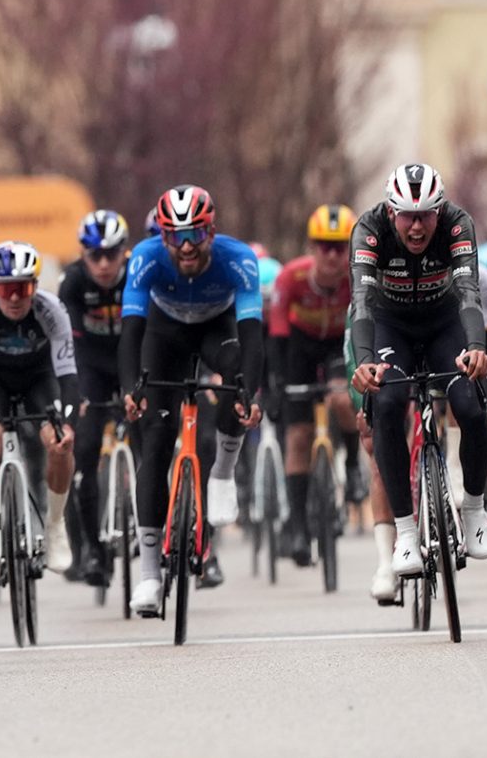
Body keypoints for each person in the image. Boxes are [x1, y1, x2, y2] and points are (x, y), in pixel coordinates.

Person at [348, 163, 487, 576]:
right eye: (408, 217)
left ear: (440, 210)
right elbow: (361, 302)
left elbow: (468, 293)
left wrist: (476, 348)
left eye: (426, 216)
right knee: (388, 403)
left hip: (444, 324)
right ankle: (405, 533)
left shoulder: (457, 224)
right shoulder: (369, 230)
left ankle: (474, 508)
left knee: (470, 405)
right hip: (389, 326)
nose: (417, 227)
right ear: (391, 211)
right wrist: (364, 361)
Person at [120, 185, 264, 615]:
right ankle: (149, 575)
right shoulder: (145, 257)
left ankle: (222, 472)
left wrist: (249, 393)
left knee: (237, 378)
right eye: (175, 236)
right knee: (156, 441)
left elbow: (253, 337)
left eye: (196, 235)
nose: (186, 246)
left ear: (211, 232)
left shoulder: (238, 258)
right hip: (164, 333)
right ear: (162, 235)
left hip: (217, 328)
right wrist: (130, 389)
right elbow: (131, 332)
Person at [0, 241, 79, 580]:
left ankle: (55, 526)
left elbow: (68, 374)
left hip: (38, 378)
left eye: (23, 289)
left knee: (59, 442)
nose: (14, 298)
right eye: (6, 289)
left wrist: (68, 423)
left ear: (35, 287)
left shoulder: (52, 310)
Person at [270, 204, 368, 571]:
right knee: (298, 436)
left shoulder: (357, 279)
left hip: (339, 345)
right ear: (312, 247)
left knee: (342, 399)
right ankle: (298, 526)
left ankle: (353, 464)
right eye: (324, 246)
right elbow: (277, 336)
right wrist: (277, 384)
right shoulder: (290, 278)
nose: (332, 256)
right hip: (300, 346)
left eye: (340, 247)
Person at [60, 208, 131, 584]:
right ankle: (92, 549)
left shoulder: (137, 275)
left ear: (124, 252)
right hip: (91, 366)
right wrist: (76, 395)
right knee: (83, 452)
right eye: (95, 255)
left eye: (111, 254)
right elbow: (67, 344)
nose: (103, 264)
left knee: (152, 435)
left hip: (132, 359)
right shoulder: (72, 281)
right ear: (83, 255)